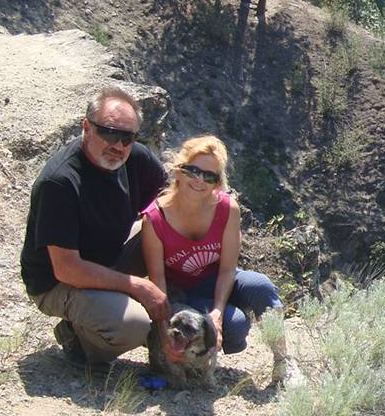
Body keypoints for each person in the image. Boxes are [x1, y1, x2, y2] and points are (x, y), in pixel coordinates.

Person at [19, 86, 168, 366]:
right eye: (109, 132)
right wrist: (137, 286)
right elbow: (67, 268)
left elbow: (171, 202)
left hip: (108, 259)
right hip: (57, 282)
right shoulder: (60, 182)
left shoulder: (135, 158)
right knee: (133, 325)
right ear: (87, 128)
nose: (118, 145)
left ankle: (171, 316)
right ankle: (79, 338)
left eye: (127, 137)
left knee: (168, 225)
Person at [140, 134, 280, 355]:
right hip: (182, 292)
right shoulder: (155, 219)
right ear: (178, 170)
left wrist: (217, 312)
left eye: (209, 176)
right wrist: (163, 332)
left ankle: (284, 361)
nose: (199, 181)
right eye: (193, 171)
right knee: (236, 325)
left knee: (261, 286)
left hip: (219, 279)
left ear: (218, 182)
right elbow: (158, 283)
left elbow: (227, 269)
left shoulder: (227, 209)